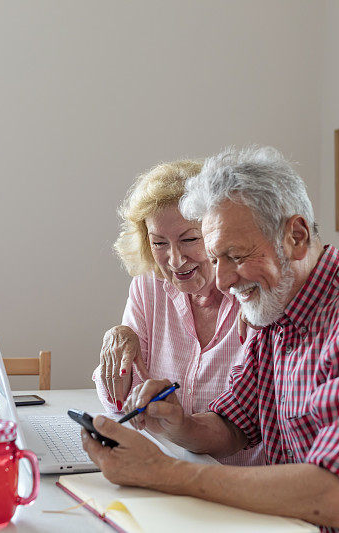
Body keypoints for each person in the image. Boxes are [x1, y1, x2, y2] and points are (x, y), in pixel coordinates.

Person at [81, 146, 339, 531]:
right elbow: (233, 426)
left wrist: (164, 472)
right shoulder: (276, 310)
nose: (222, 281)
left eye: (236, 256)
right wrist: (180, 423)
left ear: (295, 236)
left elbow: (338, 496)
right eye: (217, 257)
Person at [92, 159, 263, 466]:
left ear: (217, 233)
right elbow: (120, 401)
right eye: (159, 243)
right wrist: (117, 341)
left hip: (242, 481)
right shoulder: (148, 286)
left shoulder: (254, 292)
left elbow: (252, 418)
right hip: (165, 468)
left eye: (189, 239)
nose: (174, 260)